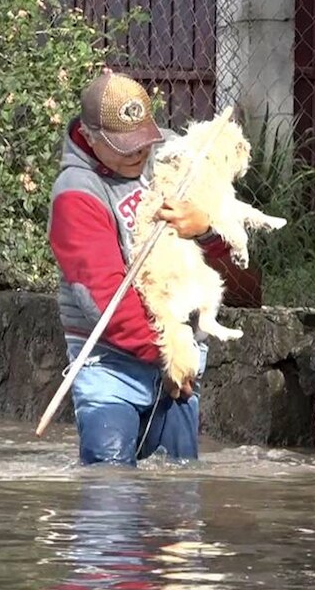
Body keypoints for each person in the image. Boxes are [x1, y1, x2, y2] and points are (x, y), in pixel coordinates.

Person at [47, 68, 233, 466]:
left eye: (143, 141)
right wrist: (167, 353)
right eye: (124, 146)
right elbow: (105, 299)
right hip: (110, 363)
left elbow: (231, 265)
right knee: (108, 493)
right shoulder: (76, 194)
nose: (138, 153)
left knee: (178, 496)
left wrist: (205, 229)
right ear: (91, 137)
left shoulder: (171, 158)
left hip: (180, 359)